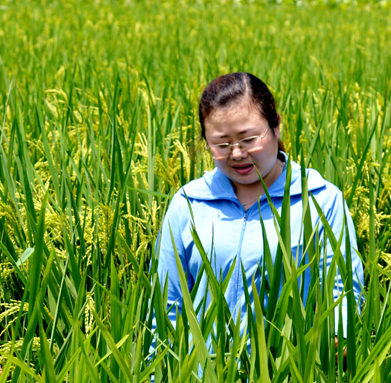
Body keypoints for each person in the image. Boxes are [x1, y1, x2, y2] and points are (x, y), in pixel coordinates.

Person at [152, 72, 364, 345]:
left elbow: (343, 295)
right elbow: (165, 306)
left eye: (249, 139)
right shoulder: (189, 204)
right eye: (221, 143)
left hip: (289, 380)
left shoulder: (320, 199)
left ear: (275, 127)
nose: (237, 153)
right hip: (204, 381)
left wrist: (335, 346)